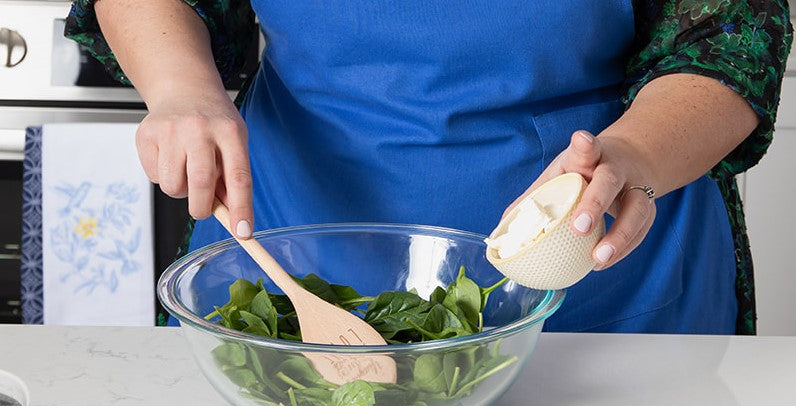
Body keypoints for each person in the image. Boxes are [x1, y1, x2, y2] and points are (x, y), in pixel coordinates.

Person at [66, 1, 792, 334]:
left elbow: (729, 34)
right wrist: (181, 87)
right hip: (293, 249)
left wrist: (632, 156)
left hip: (606, 281)